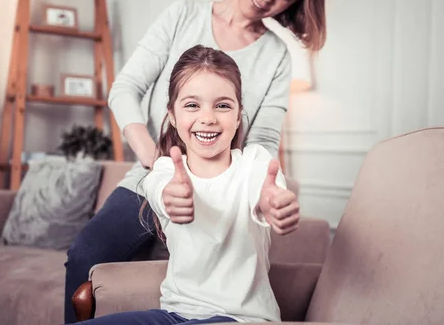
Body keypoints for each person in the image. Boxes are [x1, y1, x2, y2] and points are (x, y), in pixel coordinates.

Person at [64, 0, 330, 322]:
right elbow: (126, 88)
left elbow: (264, 139)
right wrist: (156, 162)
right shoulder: (182, 16)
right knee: (85, 254)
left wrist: (266, 190)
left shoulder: (276, 55)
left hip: (225, 188)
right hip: (155, 172)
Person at [70, 45, 300, 325]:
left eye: (223, 105)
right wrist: (172, 198)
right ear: (172, 115)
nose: (208, 117)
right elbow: (162, 193)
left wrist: (272, 203)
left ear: (239, 115)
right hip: (174, 315)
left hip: (240, 319)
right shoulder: (166, 170)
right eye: (192, 104)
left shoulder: (256, 163)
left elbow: (266, 195)